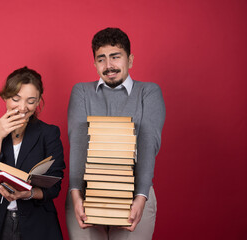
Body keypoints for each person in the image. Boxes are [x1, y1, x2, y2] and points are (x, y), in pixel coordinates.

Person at [65, 27, 166, 240]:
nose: (109, 65)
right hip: (86, 193)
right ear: (94, 63)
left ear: (130, 60)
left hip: (135, 193)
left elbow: (148, 144)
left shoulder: (148, 92)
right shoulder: (82, 92)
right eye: (101, 59)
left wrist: (141, 196)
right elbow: (78, 142)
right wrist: (76, 194)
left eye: (115, 57)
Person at [0, 67, 65, 240]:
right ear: (6, 98)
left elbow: (55, 186)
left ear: (38, 102)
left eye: (31, 101)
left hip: (38, 225)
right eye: (16, 99)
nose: (23, 107)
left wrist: (29, 193)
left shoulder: (49, 133)